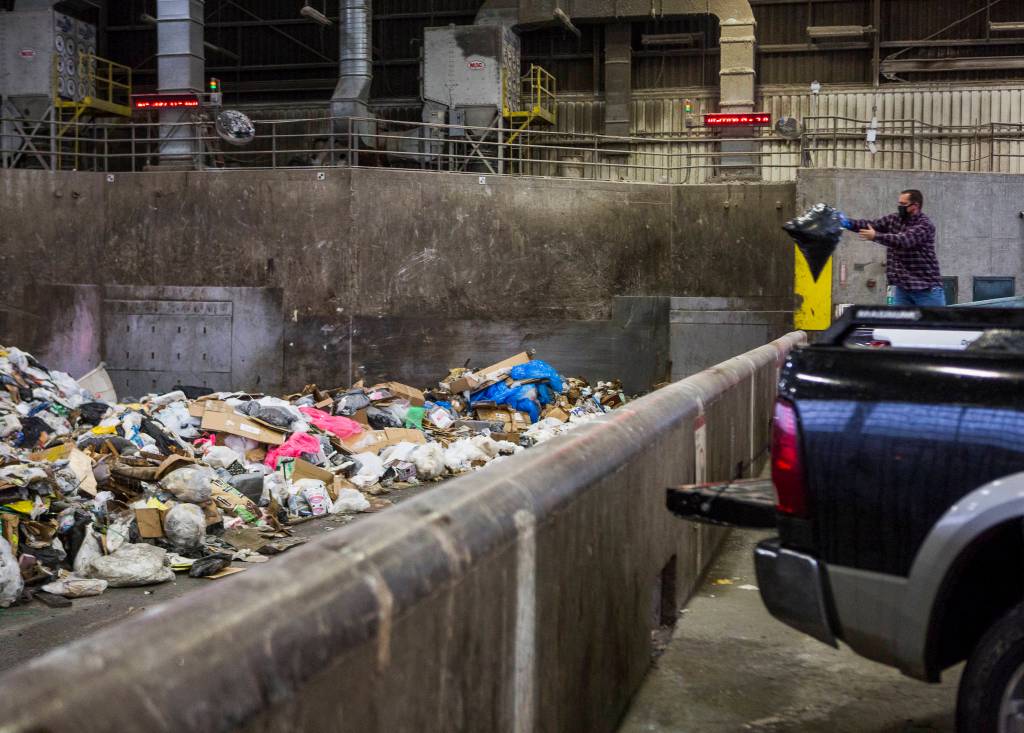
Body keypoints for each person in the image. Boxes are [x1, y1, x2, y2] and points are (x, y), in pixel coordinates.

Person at [845, 189, 945, 306]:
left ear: (915, 206)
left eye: (903, 204)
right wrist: (846, 222)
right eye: (899, 204)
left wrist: (876, 236)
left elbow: (903, 240)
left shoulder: (924, 225)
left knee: (933, 324)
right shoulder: (894, 219)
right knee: (898, 324)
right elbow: (870, 225)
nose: (899, 207)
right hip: (902, 289)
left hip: (926, 290)